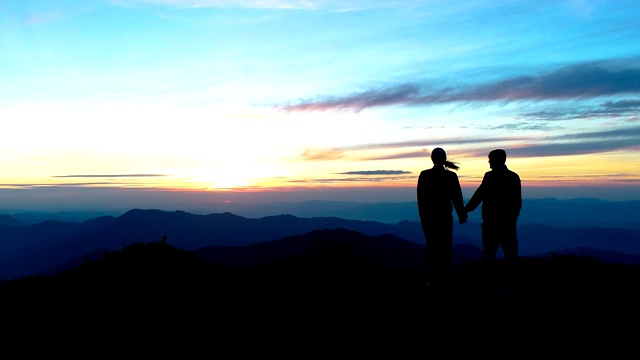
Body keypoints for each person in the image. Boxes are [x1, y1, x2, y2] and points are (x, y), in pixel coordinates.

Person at [465, 149, 522, 282]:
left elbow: (479, 195)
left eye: (490, 159)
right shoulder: (513, 177)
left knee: (489, 256)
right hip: (507, 225)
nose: (489, 162)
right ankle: (513, 284)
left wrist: (466, 210)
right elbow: (517, 202)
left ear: (497, 160)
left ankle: (490, 284)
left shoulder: (490, 177)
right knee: (511, 256)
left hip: (491, 224)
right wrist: (512, 218)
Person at [417, 147, 467, 286]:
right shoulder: (450, 176)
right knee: (446, 247)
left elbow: (421, 199)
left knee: (431, 246)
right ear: (444, 158)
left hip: (429, 218)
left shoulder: (425, 175)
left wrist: (423, 217)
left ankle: (430, 278)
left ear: (432, 159)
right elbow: (457, 198)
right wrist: (461, 214)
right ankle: (446, 277)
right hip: (445, 216)